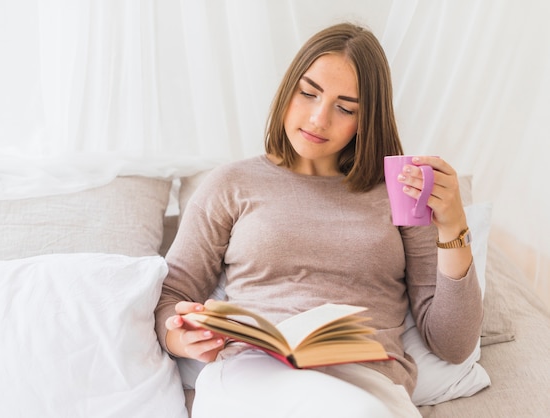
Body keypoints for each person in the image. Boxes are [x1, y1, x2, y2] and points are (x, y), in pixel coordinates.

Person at [154, 22, 482, 418]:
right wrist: (179, 338)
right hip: (252, 375)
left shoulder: (398, 191)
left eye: (344, 107)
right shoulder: (230, 184)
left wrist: (453, 226)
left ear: (367, 119)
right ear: (287, 89)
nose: (317, 118)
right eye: (308, 93)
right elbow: (172, 295)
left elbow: (453, 343)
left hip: (366, 383)